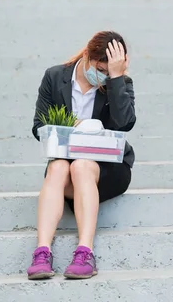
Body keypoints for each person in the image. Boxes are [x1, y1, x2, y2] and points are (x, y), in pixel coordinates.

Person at [27, 31, 136, 280]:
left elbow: (124, 124)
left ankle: (84, 252)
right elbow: (38, 126)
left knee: (82, 166)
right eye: (100, 69)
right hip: (66, 168)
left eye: (109, 72)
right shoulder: (55, 77)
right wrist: (70, 126)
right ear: (87, 55)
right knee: (59, 168)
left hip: (107, 168)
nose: (102, 76)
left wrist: (116, 78)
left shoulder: (120, 83)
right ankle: (42, 252)